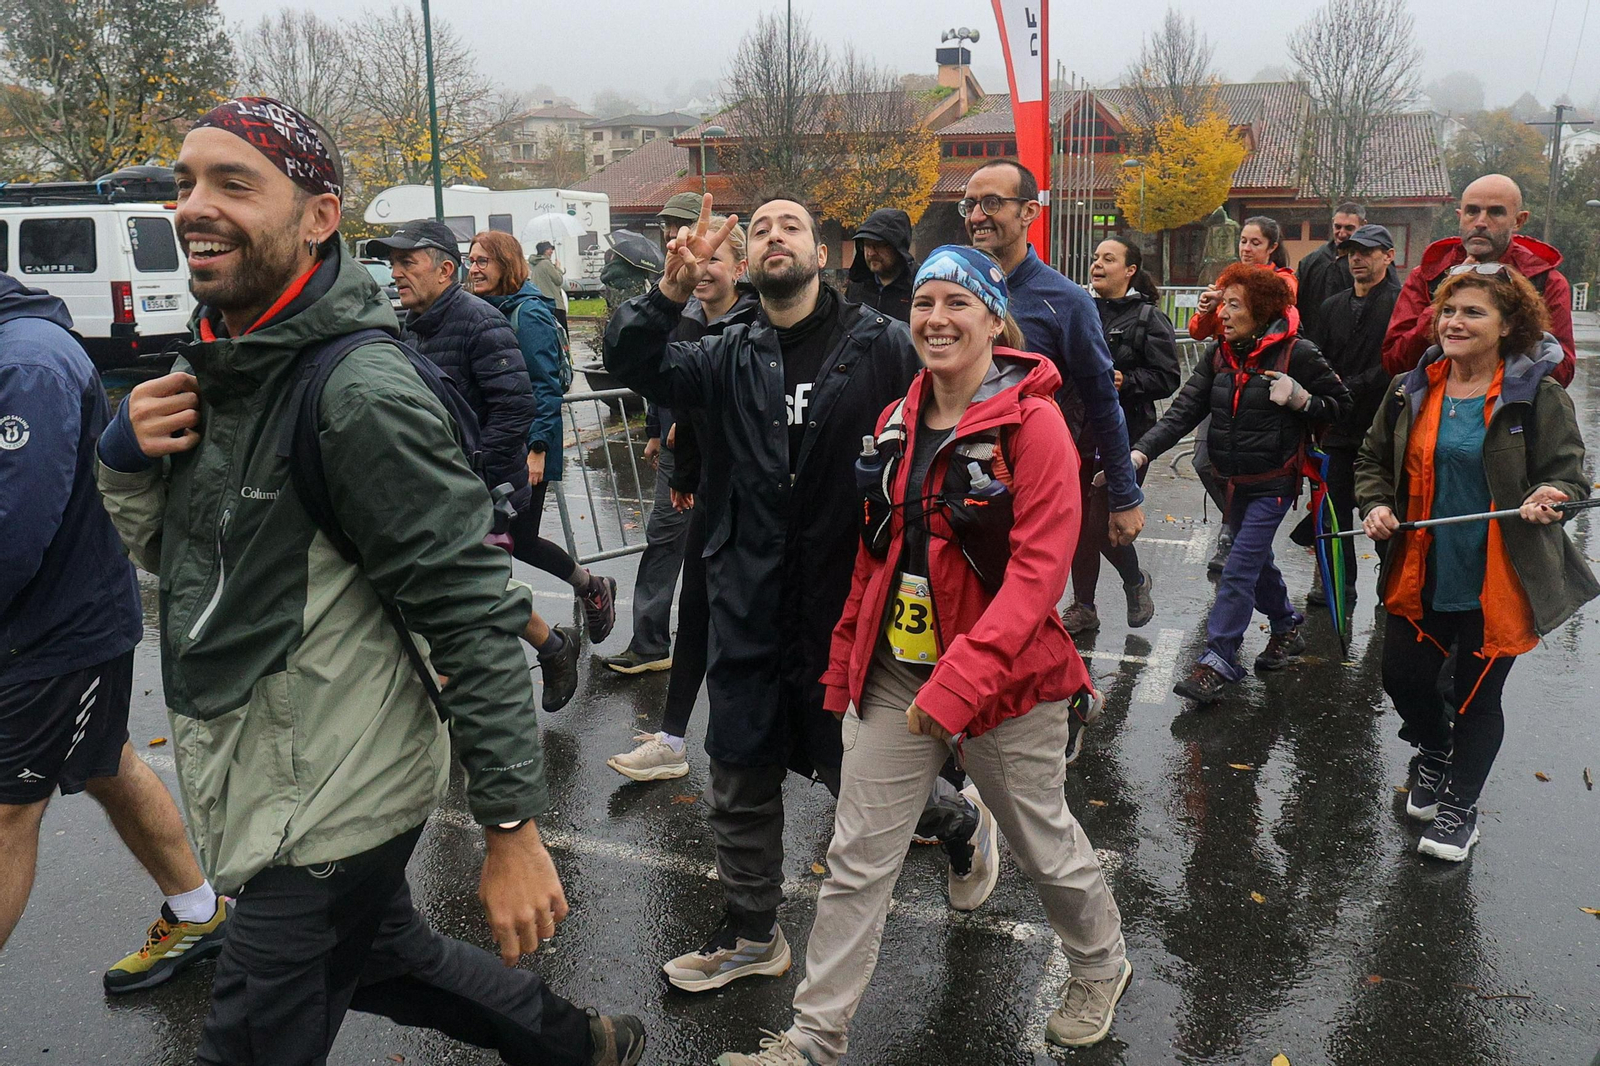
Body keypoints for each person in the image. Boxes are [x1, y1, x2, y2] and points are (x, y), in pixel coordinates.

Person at [94, 96, 643, 1066]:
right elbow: (190, 570)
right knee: (391, 960)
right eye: (185, 183)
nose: (193, 205)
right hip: (271, 774)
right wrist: (125, 460)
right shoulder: (224, 367)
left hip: (328, 805)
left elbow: (468, 610)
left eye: (233, 183)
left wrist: (509, 826)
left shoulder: (359, 392)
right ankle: (579, 1045)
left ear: (318, 216)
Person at [715, 247, 1132, 1066]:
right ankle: (814, 1039)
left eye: (956, 303)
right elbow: (875, 555)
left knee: (1044, 846)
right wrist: (845, 663)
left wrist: (960, 685)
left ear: (993, 320)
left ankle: (1099, 964)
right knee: (856, 860)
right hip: (898, 674)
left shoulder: (1034, 425)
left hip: (1007, 684)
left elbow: (1038, 577)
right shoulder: (897, 420)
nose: (936, 319)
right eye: (923, 303)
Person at [604, 194, 920, 992]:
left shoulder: (879, 343)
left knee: (860, 775)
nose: (777, 235)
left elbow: (937, 433)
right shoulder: (724, 350)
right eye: (763, 228)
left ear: (821, 253)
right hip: (748, 596)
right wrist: (668, 291)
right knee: (738, 771)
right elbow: (633, 362)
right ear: (746, 261)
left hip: (844, 607)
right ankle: (752, 934)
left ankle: (955, 822)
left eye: (793, 226)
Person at [0, 272, 228, 991]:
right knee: (106, 763)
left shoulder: (27, 363)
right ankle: (198, 912)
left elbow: (13, 535)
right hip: (45, 628)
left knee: (7, 812)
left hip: (53, 635)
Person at [1358, 265, 1596, 861]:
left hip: (1498, 578)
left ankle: (1460, 808)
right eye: (1448, 311)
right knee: (1403, 680)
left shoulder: (1536, 396)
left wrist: (1552, 496)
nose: (1454, 323)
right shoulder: (1411, 388)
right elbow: (1371, 460)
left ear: (1508, 325)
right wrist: (1377, 503)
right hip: (1421, 569)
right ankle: (1434, 752)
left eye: (1473, 313)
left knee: (1474, 699)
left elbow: (1568, 476)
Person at [960, 159, 1142, 757]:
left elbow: (1103, 400)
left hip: (1038, 490)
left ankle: (1057, 704)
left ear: (1028, 213)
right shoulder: (956, 287)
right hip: (964, 484)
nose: (978, 215)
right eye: (970, 204)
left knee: (1022, 603)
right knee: (975, 603)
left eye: (992, 203)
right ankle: (1058, 698)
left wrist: (1124, 495)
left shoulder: (1065, 301)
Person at [373, 219, 615, 660]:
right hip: (454, 486)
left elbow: (530, 395)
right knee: (491, 572)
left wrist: (527, 453)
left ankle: (560, 634)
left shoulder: (499, 317)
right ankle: (556, 638)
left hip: (495, 476)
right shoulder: (417, 323)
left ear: (444, 270)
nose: (395, 273)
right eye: (474, 260)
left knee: (492, 575)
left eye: (406, 262)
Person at [1131, 264, 1349, 704]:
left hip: (1275, 482)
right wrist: (1140, 452)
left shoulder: (1298, 354)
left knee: (1237, 568)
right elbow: (1182, 412)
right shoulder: (1220, 354)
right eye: (1223, 303)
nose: (1223, 314)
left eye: (1234, 305)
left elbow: (1342, 405)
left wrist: (1303, 399)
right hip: (1232, 482)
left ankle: (1218, 659)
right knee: (1257, 562)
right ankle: (1286, 626)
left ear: (1261, 310)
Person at [606, 217, 758, 780]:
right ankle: (672, 739)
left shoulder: (761, 325)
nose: (703, 270)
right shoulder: (688, 321)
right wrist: (686, 470)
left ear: (740, 269)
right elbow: (688, 408)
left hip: (759, 502)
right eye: (697, 260)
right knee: (694, 610)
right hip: (712, 490)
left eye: (715, 259)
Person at [465, 229, 598, 674]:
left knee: (514, 542)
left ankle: (588, 589)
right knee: (507, 544)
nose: (474, 268)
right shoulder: (487, 308)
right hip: (498, 448)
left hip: (529, 449)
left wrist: (537, 448)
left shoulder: (530, 312)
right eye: (471, 260)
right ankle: (588, 588)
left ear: (507, 263)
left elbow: (545, 387)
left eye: (483, 260)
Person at [1061, 237, 1180, 636]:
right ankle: (1084, 606)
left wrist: (1125, 380)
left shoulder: (1148, 318)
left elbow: (1167, 377)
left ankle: (1135, 581)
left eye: (1108, 259)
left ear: (1130, 270)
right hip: (1076, 432)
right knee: (1079, 524)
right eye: (1095, 258)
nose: (1097, 264)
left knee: (1100, 524)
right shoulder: (1080, 310)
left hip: (1125, 439)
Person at [1383, 174, 1576, 386]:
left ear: (1518, 221)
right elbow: (1395, 362)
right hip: (1435, 403)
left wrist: (1516, 321)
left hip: (1511, 405)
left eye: (1496, 212)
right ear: (1460, 216)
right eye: (1472, 211)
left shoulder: (1545, 281)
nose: (1481, 222)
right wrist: (1443, 303)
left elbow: (1561, 372)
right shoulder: (1428, 276)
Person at [1305, 223, 1402, 607]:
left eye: (1367, 252)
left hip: (1385, 426)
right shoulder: (1333, 306)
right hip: (1338, 427)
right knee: (1334, 510)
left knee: (1385, 511)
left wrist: (1353, 384)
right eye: (1352, 252)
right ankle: (1338, 584)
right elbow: (1318, 356)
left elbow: (1399, 363)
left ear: (1388, 256)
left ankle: (1391, 587)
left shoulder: (1400, 304)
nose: (1357, 259)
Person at [1188, 215, 1298, 341]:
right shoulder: (1227, 278)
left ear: (1272, 247)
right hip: (1225, 350)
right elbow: (1197, 332)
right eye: (1243, 241)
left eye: (1255, 243)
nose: (1246, 249)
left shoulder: (1284, 279)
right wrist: (1208, 311)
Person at [1294, 202, 1366, 340]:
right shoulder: (1313, 260)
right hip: (1312, 340)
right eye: (1338, 227)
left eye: (1349, 228)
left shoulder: (1368, 265)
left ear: (1363, 225)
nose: (1342, 233)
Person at [844, 208, 916, 322]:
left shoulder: (919, 286)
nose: (871, 253)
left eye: (879, 245)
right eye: (867, 245)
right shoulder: (856, 287)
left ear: (897, 247)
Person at [527, 240, 569, 331]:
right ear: (544, 250)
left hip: (542, 303)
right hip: (554, 304)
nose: (552, 251)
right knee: (561, 332)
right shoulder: (546, 263)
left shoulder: (535, 264)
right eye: (549, 249)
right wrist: (558, 268)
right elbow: (558, 280)